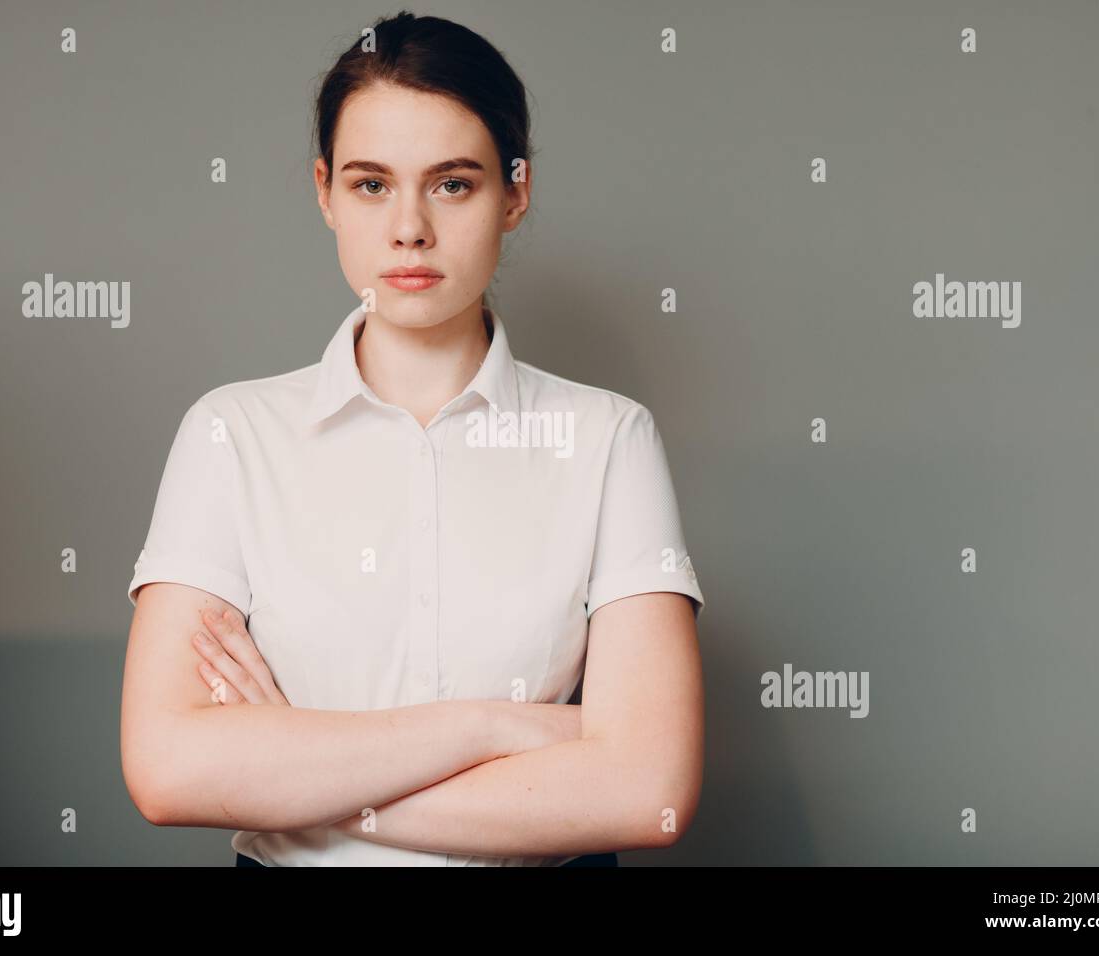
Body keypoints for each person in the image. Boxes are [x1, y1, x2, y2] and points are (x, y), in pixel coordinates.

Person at [120, 11, 705, 867]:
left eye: (453, 183)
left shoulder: (610, 438)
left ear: (516, 193)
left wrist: (298, 772)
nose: (409, 229)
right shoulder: (228, 434)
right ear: (324, 191)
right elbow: (168, 773)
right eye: (369, 184)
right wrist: (496, 726)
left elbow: (645, 793)